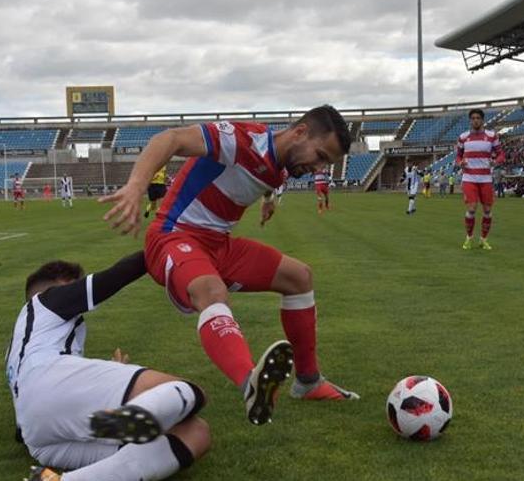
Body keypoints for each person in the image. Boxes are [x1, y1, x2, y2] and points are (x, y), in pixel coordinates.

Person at [100, 105, 360, 427]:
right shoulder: (240, 140)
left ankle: (308, 381)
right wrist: (137, 186)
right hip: (173, 235)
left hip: (218, 244)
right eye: (320, 156)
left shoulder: (283, 165)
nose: (318, 168)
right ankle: (250, 383)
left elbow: (268, 177)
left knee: (300, 277)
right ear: (300, 132)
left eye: (326, 163)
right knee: (212, 291)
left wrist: (266, 202)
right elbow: (170, 138)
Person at [9, 251, 210, 481]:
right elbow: (113, 277)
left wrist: (109, 374)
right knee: (191, 392)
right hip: (50, 380)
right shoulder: (45, 301)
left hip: (37, 439)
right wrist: (160, 248)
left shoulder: (23, 344)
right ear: (53, 289)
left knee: (196, 433)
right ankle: (120, 421)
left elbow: (45, 404)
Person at [457, 109, 504, 250]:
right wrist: (460, 163)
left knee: (488, 210)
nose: (475, 120)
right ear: (470, 120)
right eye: (473, 118)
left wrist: (496, 161)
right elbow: (458, 156)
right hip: (469, 178)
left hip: (485, 179)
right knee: (471, 209)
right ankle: (469, 237)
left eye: (478, 118)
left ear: (482, 120)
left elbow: (501, 153)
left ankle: (483, 239)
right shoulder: (463, 137)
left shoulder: (491, 136)